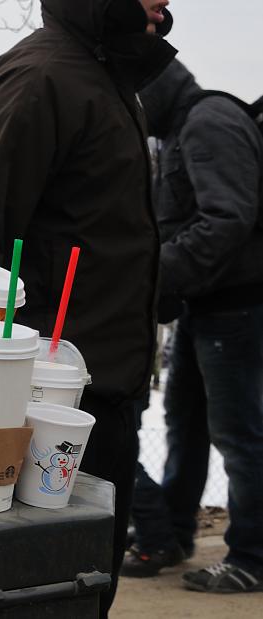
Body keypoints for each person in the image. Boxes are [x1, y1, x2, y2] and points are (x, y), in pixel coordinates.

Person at [0, 0, 176, 614]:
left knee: (86, 597)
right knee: (41, 602)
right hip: (37, 413)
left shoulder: (107, 76)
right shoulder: (39, 79)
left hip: (102, 397)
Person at [122, 59, 263, 593]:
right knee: (186, 423)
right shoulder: (184, 127)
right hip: (204, 308)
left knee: (240, 437)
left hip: (236, 309)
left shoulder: (207, 123)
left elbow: (227, 218)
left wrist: (155, 274)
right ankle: (174, 534)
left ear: (151, 89)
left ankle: (252, 556)